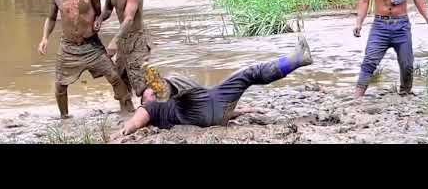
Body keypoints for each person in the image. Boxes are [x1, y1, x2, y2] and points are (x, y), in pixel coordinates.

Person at [121, 36, 313, 134]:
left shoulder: (158, 108)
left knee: (247, 74)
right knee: (181, 83)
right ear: (145, 99)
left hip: (217, 107)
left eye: (151, 90)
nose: (149, 94)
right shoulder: (150, 107)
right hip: (193, 109)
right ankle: (167, 86)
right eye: (149, 92)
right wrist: (127, 129)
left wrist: (242, 111)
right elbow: (138, 119)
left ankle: (297, 60)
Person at [38, 0, 134, 118]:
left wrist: (98, 21)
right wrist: (44, 38)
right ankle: (64, 117)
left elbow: (99, 12)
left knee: (114, 76)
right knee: (60, 86)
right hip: (68, 47)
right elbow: (52, 18)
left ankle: (128, 110)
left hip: (91, 46)